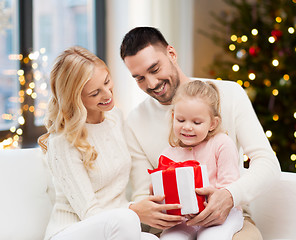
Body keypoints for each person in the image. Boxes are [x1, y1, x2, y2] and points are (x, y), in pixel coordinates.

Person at [120, 26, 281, 240]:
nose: (151, 84)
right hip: (173, 225)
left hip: (230, 218)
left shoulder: (229, 94)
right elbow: (142, 193)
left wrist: (230, 196)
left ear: (172, 54)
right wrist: (151, 208)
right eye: (139, 78)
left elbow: (268, 163)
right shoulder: (134, 121)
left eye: (155, 69)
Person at [38, 46, 159, 240]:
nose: (107, 94)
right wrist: (135, 211)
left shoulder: (115, 117)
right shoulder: (62, 142)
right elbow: (89, 213)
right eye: (95, 93)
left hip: (117, 225)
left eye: (107, 81)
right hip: (72, 230)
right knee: (127, 220)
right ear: (75, 99)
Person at [160, 80, 244, 240]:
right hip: (184, 220)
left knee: (210, 237)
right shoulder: (168, 154)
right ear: (173, 117)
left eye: (196, 122)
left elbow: (230, 185)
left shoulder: (222, 143)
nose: (187, 127)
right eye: (181, 120)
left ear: (213, 123)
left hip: (222, 214)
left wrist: (205, 202)